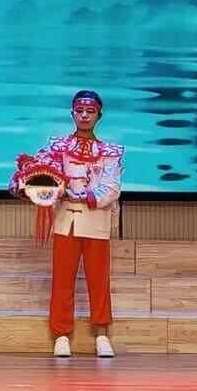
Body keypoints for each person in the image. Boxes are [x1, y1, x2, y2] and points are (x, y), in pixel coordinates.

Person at [10, 90, 123, 358]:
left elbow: (112, 187)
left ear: (99, 115)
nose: (84, 116)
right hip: (65, 222)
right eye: (79, 111)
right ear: (72, 113)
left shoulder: (110, 152)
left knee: (99, 280)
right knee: (62, 280)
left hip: (96, 222)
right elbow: (38, 172)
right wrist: (30, 183)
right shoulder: (57, 146)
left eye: (90, 111)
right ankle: (61, 334)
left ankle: (102, 334)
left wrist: (82, 196)